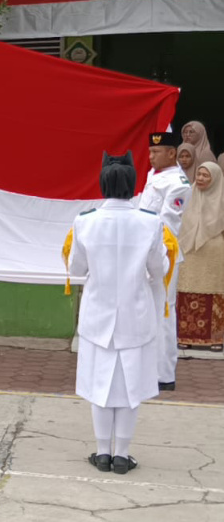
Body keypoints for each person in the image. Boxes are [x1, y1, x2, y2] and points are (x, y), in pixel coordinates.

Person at [65, 151, 174, 476]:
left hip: (98, 318)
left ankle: (102, 452)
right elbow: (158, 269)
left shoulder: (85, 221)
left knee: (100, 384)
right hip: (135, 316)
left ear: (103, 183)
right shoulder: (150, 223)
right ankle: (122, 454)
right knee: (130, 388)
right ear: (132, 184)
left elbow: (77, 268)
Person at [138, 132, 191, 391]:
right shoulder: (155, 175)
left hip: (164, 253)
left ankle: (164, 374)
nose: (150, 157)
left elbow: (168, 224)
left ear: (171, 153)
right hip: (145, 250)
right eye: (149, 152)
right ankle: (148, 368)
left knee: (164, 313)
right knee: (148, 311)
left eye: (155, 153)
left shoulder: (179, 184)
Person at [177, 162, 224, 352]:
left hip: (213, 252)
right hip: (189, 251)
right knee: (187, 291)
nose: (201, 179)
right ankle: (185, 336)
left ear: (215, 178)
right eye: (199, 174)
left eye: (206, 176)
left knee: (214, 292)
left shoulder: (221, 199)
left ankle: (215, 339)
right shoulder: (188, 196)